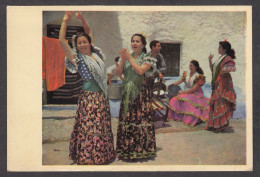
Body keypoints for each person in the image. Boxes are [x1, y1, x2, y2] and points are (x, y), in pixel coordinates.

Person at [59, 11, 115, 165]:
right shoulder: (78, 58)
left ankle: (101, 155)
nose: (83, 44)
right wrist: (65, 21)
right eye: (79, 43)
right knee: (90, 127)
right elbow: (62, 41)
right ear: (76, 46)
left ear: (89, 43)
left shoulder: (96, 55)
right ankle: (88, 156)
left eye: (85, 42)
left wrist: (82, 19)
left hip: (101, 97)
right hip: (89, 98)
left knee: (100, 126)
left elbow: (89, 31)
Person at [116, 33, 157, 160]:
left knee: (139, 122)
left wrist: (129, 58)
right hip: (127, 94)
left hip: (140, 95)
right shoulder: (128, 57)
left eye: (137, 41)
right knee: (127, 122)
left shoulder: (148, 57)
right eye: (133, 41)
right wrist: (123, 60)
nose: (134, 43)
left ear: (143, 44)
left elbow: (140, 71)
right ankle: (127, 150)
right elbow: (118, 73)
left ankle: (140, 150)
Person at [205, 40, 236, 133]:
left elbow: (230, 68)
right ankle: (213, 124)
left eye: (220, 47)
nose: (218, 49)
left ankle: (220, 125)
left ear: (224, 49)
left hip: (223, 83)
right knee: (215, 102)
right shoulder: (220, 58)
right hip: (217, 83)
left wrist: (222, 72)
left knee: (220, 102)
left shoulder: (227, 58)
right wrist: (210, 60)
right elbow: (213, 69)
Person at [168, 60, 209, 126]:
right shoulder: (186, 74)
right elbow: (178, 82)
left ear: (196, 67)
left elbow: (193, 89)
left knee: (187, 102)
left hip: (195, 94)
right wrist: (169, 86)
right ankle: (178, 117)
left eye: (191, 66)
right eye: (189, 66)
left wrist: (182, 92)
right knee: (175, 99)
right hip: (186, 94)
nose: (190, 67)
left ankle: (190, 119)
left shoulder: (198, 76)